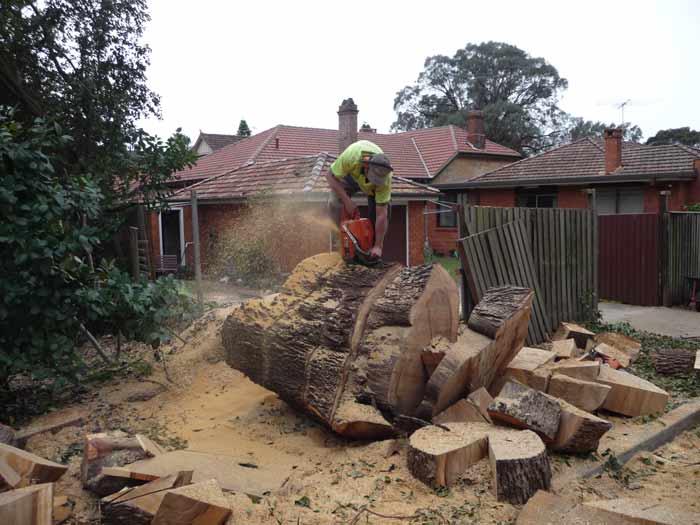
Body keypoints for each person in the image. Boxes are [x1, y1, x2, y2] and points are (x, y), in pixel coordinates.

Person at [326, 140, 393, 258]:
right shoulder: (351, 157)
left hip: (372, 191)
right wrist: (347, 200)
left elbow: (381, 215)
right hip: (352, 176)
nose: (375, 181)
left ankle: (372, 251)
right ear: (366, 166)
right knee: (334, 202)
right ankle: (339, 242)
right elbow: (329, 176)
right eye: (373, 177)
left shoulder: (385, 180)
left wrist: (378, 246)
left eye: (378, 180)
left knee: (382, 213)